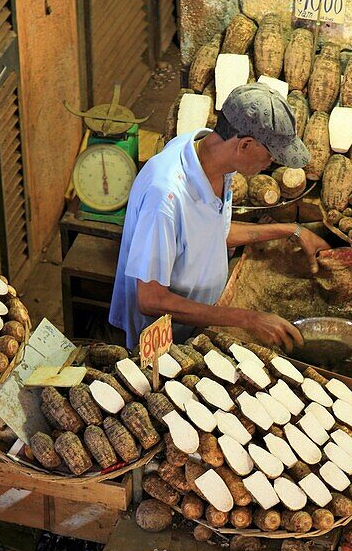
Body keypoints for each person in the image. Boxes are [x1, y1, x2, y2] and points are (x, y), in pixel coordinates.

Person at [109, 83, 328, 353]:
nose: (271, 164)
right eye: (270, 155)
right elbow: (151, 299)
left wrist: (293, 230)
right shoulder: (165, 196)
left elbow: (214, 233)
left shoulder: (216, 160)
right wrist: (248, 319)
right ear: (245, 145)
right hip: (163, 340)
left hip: (200, 323)